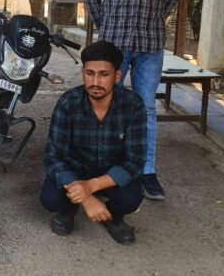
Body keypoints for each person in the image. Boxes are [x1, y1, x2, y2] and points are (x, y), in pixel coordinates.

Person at [81, 0, 181, 201]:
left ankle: (146, 170)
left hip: (150, 43)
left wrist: (155, 17)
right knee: (104, 102)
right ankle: (102, 164)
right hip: (114, 43)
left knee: (146, 106)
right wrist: (105, 23)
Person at [41, 41, 147, 245]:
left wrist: (91, 186)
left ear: (117, 75)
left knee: (131, 198)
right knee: (50, 198)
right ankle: (68, 210)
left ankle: (112, 217)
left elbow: (136, 160)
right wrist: (86, 198)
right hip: (76, 169)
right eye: (90, 73)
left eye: (104, 74)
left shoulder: (133, 105)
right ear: (83, 73)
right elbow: (53, 156)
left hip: (110, 173)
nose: (95, 82)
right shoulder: (68, 102)